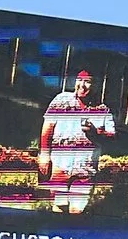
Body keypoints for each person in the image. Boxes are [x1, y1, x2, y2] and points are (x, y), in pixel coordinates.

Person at [37, 68, 111, 214]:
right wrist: (44, 155)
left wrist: (95, 132)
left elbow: (111, 137)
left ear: (96, 85)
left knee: (77, 211)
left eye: (88, 82)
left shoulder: (103, 110)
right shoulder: (61, 100)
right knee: (59, 207)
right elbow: (47, 128)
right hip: (60, 165)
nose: (82, 85)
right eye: (79, 80)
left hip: (85, 170)